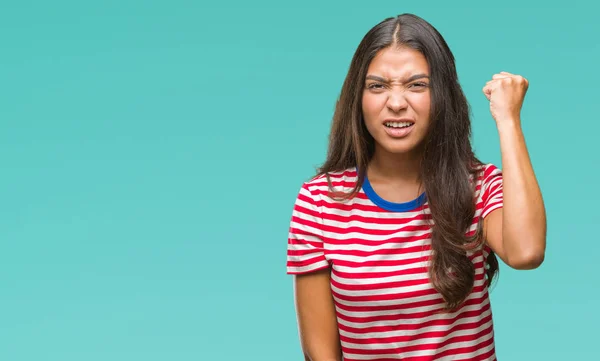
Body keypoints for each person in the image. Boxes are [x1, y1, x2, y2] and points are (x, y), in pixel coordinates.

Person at [285, 13, 546, 361]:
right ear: (358, 98)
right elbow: (321, 354)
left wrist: (508, 120)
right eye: (377, 86)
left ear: (442, 96)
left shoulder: (479, 186)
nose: (396, 102)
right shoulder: (319, 202)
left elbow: (526, 252)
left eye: (417, 85)